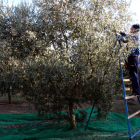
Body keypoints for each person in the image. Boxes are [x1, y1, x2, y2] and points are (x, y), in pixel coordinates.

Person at [118, 24, 140, 96]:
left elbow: (126, 36)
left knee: (134, 74)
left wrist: (121, 33)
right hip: (132, 57)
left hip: (134, 57)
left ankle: (136, 91)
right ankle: (136, 91)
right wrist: (120, 37)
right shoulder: (133, 37)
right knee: (133, 74)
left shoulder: (135, 35)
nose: (130, 29)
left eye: (131, 28)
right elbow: (125, 40)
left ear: (135, 29)